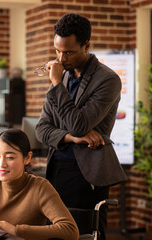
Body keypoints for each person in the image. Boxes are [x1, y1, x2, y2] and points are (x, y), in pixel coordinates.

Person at [35, 13, 127, 240]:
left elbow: (78, 125)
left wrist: (56, 83)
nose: (60, 58)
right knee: (55, 233)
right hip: (56, 168)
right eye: (57, 51)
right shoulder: (63, 75)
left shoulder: (108, 80)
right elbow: (42, 129)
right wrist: (71, 138)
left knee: (85, 234)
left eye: (68, 52)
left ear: (87, 46)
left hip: (88, 175)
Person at [0, 129, 79, 240]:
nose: (2, 164)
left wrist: (15, 230)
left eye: (10, 157)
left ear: (27, 158)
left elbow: (70, 230)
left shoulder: (40, 187)